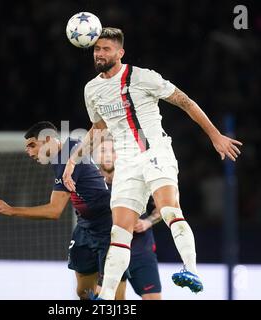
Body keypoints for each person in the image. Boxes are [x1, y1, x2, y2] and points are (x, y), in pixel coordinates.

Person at [62, 27, 243, 300]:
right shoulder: (92, 89)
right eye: (97, 49)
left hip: (154, 152)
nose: (99, 54)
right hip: (126, 164)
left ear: (120, 53)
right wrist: (72, 161)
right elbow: (98, 128)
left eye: (106, 49)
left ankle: (190, 269)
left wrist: (215, 135)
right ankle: (107, 296)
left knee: (169, 209)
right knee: (119, 231)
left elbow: (185, 102)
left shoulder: (142, 77)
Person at [0, 121, 126, 300]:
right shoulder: (67, 151)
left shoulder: (68, 156)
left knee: (113, 296)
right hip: (85, 228)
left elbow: (54, 211)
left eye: (32, 145)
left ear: (47, 139)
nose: (29, 152)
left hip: (108, 228)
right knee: (83, 292)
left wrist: (11, 210)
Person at [97, 138, 162, 300]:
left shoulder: (137, 178)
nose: (108, 156)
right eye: (103, 151)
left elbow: (166, 204)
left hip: (141, 253)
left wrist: (148, 222)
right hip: (108, 254)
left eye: (112, 151)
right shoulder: (92, 185)